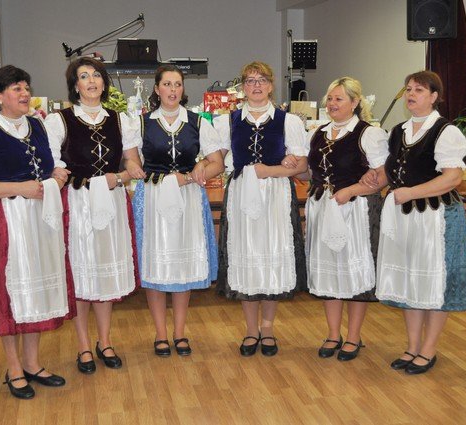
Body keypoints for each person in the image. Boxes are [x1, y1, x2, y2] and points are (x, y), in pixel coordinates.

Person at [0, 65, 76, 399]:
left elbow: (53, 165)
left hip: (39, 217)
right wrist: (21, 188)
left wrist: (58, 175)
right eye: (16, 89)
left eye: (26, 87)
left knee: (35, 292)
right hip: (4, 218)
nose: (25, 94)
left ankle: (33, 363)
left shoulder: (38, 125)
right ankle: (13, 368)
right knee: (10, 293)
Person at [363, 70, 466, 374]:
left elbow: (453, 178)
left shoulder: (446, 131)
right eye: (408, 89)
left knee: (434, 283)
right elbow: (392, 172)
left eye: (418, 90)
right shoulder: (398, 131)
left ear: (434, 96)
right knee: (410, 281)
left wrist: (410, 192)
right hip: (404, 217)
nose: (411, 94)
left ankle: (428, 350)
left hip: (436, 217)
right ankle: (412, 346)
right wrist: (373, 177)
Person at [45, 57, 144, 374]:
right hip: (78, 203)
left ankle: (105, 341)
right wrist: (57, 175)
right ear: (75, 85)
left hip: (112, 200)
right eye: (84, 76)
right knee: (82, 273)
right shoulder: (59, 121)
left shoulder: (120, 120)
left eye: (96, 75)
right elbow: (52, 166)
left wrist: (125, 175)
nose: (91, 81)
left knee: (104, 273)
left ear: (104, 82)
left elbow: (132, 162)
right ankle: (83, 345)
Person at [214, 61, 308, 357]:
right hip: (242, 195)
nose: (256, 85)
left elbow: (302, 165)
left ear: (271, 85)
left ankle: (267, 327)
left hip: (275, 196)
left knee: (272, 259)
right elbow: (217, 160)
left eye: (262, 80)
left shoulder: (288, 121)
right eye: (250, 80)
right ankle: (251, 328)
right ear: (243, 86)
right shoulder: (228, 121)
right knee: (247, 257)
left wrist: (273, 170)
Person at [132, 64, 224, 357]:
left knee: (183, 268)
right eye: (167, 84)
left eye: (177, 84)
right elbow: (131, 162)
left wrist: (199, 169)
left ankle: (180, 332)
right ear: (156, 89)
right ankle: (160, 333)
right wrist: (133, 168)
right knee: (155, 266)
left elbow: (217, 163)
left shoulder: (198, 122)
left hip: (188, 197)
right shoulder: (141, 123)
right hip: (154, 198)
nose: (173, 90)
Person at [295, 77, 388, 361]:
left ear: (355, 102)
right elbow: (310, 173)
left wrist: (351, 190)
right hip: (323, 208)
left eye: (339, 99)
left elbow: (383, 176)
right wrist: (293, 167)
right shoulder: (318, 133)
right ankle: (333, 333)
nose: (332, 104)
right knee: (330, 273)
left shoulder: (369, 134)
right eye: (330, 99)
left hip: (354, 211)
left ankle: (354, 336)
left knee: (353, 273)